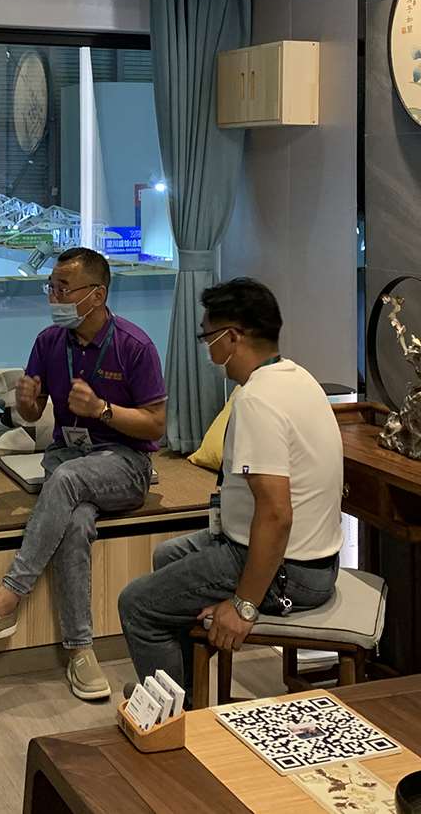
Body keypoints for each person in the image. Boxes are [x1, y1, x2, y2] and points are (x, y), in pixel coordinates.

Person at [0, 246, 167, 700]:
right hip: (67, 457)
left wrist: (102, 410)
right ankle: (81, 651)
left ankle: (7, 598)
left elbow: (156, 425)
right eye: (51, 287)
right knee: (76, 521)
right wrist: (26, 403)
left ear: (96, 295)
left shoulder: (134, 345)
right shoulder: (49, 342)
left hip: (124, 464)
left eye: (63, 288)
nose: (53, 297)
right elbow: (32, 414)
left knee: (65, 481)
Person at [117, 277, 343, 703]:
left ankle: (177, 715)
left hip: (289, 571)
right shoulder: (298, 377)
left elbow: (276, 514)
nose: (208, 350)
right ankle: (181, 688)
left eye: (208, 338)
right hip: (310, 559)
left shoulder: (258, 400)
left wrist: (243, 606)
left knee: (137, 604)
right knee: (168, 556)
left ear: (233, 337)